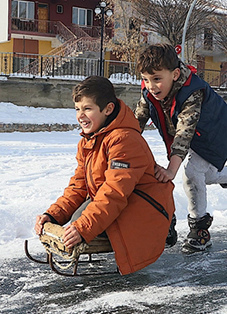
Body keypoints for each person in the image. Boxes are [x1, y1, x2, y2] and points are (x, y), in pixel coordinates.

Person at [34, 76, 176, 275]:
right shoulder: (89, 140)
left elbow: (114, 193)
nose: (80, 116)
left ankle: (163, 228)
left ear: (107, 109)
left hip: (146, 209)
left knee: (81, 223)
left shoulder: (124, 140)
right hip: (120, 201)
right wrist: (52, 215)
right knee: (77, 219)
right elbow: (78, 186)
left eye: (87, 109)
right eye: (77, 109)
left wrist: (82, 229)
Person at [134, 44, 227, 252]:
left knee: (192, 172)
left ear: (175, 74)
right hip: (196, 134)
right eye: (146, 79)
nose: (151, 86)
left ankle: (199, 229)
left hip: (217, 133)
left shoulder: (192, 92)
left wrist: (172, 170)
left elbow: (184, 133)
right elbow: (137, 122)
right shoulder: (149, 91)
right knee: (206, 176)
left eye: (157, 79)